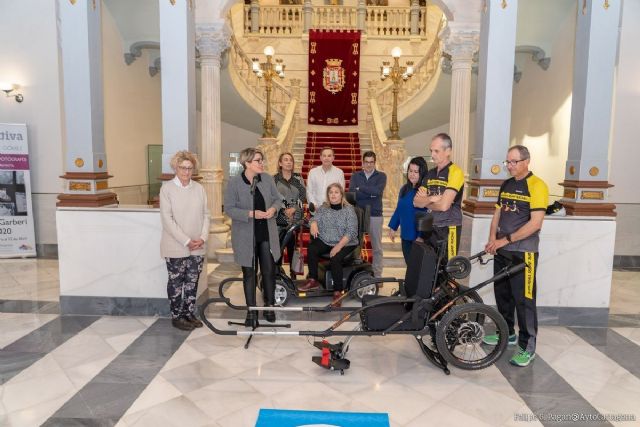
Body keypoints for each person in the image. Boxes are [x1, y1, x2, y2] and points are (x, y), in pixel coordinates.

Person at [483, 145, 549, 368]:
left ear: (526, 161)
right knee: (503, 295)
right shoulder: (507, 184)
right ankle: (508, 333)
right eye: (507, 162)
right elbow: (497, 214)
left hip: (524, 253)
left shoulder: (537, 186)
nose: (509, 166)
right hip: (502, 251)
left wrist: (504, 240)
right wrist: (493, 239)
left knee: (524, 301)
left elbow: (535, 223)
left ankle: (527, 346)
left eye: (514, 162)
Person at [224, 148, 283, 327]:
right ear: (247, 163)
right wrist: (251, 213)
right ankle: (251, 311)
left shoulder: (267, 178)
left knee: (268, 271)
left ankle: (269, 306)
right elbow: (229, 208)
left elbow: (278, 199)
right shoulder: (234, 183)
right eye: (258, 160)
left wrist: (273, 209)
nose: (261, 163)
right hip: (245, 236)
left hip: (266, 233)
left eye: (262, 160)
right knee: (249, 273)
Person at [160, 150, 210, 331]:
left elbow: (206, 215)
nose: (186, 172)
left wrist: (202, 237)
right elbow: (167, 220)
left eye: (189, 168)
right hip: (175, 245)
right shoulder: (167, 189)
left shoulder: (199, 189)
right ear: (176, 167)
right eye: (182, 167)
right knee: (176, 282)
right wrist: (186, 240)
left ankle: (189, 313)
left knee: (192, 281)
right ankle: (177, 316)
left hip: (198, 245)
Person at [298, 183, 358, 307]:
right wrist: (313, 223)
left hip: (346, 242)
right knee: (312, 248)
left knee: (335, 258)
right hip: (327, 240)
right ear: (328, 195)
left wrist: (338, 246)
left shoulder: (349, 210)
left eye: (336, 192)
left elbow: (351, 232)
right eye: (331, 192)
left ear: (341, 195)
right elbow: (314, 219)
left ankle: (338, 291)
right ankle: (313, 279)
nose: (333, 195)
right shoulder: (324, 208)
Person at [413, 133, 464, 262]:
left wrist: (426, 202)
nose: (433, 154)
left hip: (449, 228)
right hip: (431, 227)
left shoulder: (456, 172)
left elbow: (444, 206)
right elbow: (416, 202)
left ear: (448, 151)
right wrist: (431, 199)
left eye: (437, 151)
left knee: (447, 269)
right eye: (431, 151)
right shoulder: (430, 173)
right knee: (431, 270)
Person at [349, 151, 387, 277]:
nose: (369, 165)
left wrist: (362, 188)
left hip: (375, 215)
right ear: (363, 163)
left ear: (374, 163)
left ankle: (377, 275)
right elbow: (353, 195)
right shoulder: (355, 176)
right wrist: (370, 192)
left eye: (371, 162)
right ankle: (357, 274)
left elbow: (378, 191)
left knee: (377, 247)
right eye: (366, 162)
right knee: (356, 246)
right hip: (358, 214)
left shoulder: (381, 176)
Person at [388, 157, 429, 264]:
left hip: (418, 237)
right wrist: (393, 227)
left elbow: (426, 216)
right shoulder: (404, 189)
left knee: (418, 268)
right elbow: (399, 209)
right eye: (410, 171)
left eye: (416, 172)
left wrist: (421, 236)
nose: (412, 174)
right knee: (410, 266)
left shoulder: (424, 191)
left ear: (422, 173)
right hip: (405, 235)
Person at [273, 152, 307, 277]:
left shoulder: (298, 178)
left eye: (290, 160)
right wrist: (283, 210)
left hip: (295, 217)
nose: (288, 162)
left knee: (292, 246)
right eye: (285, 160)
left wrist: (293, 209)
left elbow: (303, 195)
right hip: (279, 217)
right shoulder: (274, 179)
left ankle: (293, 274)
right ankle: (278, 272)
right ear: (280, 163)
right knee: (279, 246)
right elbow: (272, 197)